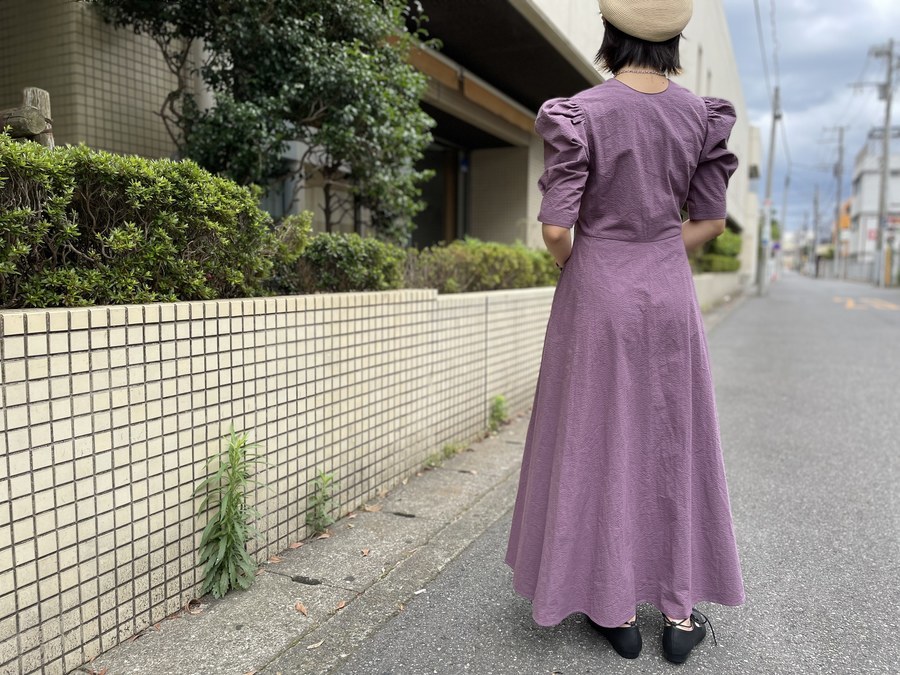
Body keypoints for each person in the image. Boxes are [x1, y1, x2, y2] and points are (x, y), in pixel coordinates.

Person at [504, 0, 745, 665]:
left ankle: (614, 612)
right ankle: (677, 610)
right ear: (676, 42)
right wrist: (660, 246)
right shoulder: (702, 115)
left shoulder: (582, 112)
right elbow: (712, 221)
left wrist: (591, 267)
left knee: (597, 435)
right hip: (668, 290)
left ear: (609, 36)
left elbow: (556, 229)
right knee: (672, 439)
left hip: (598, 293)